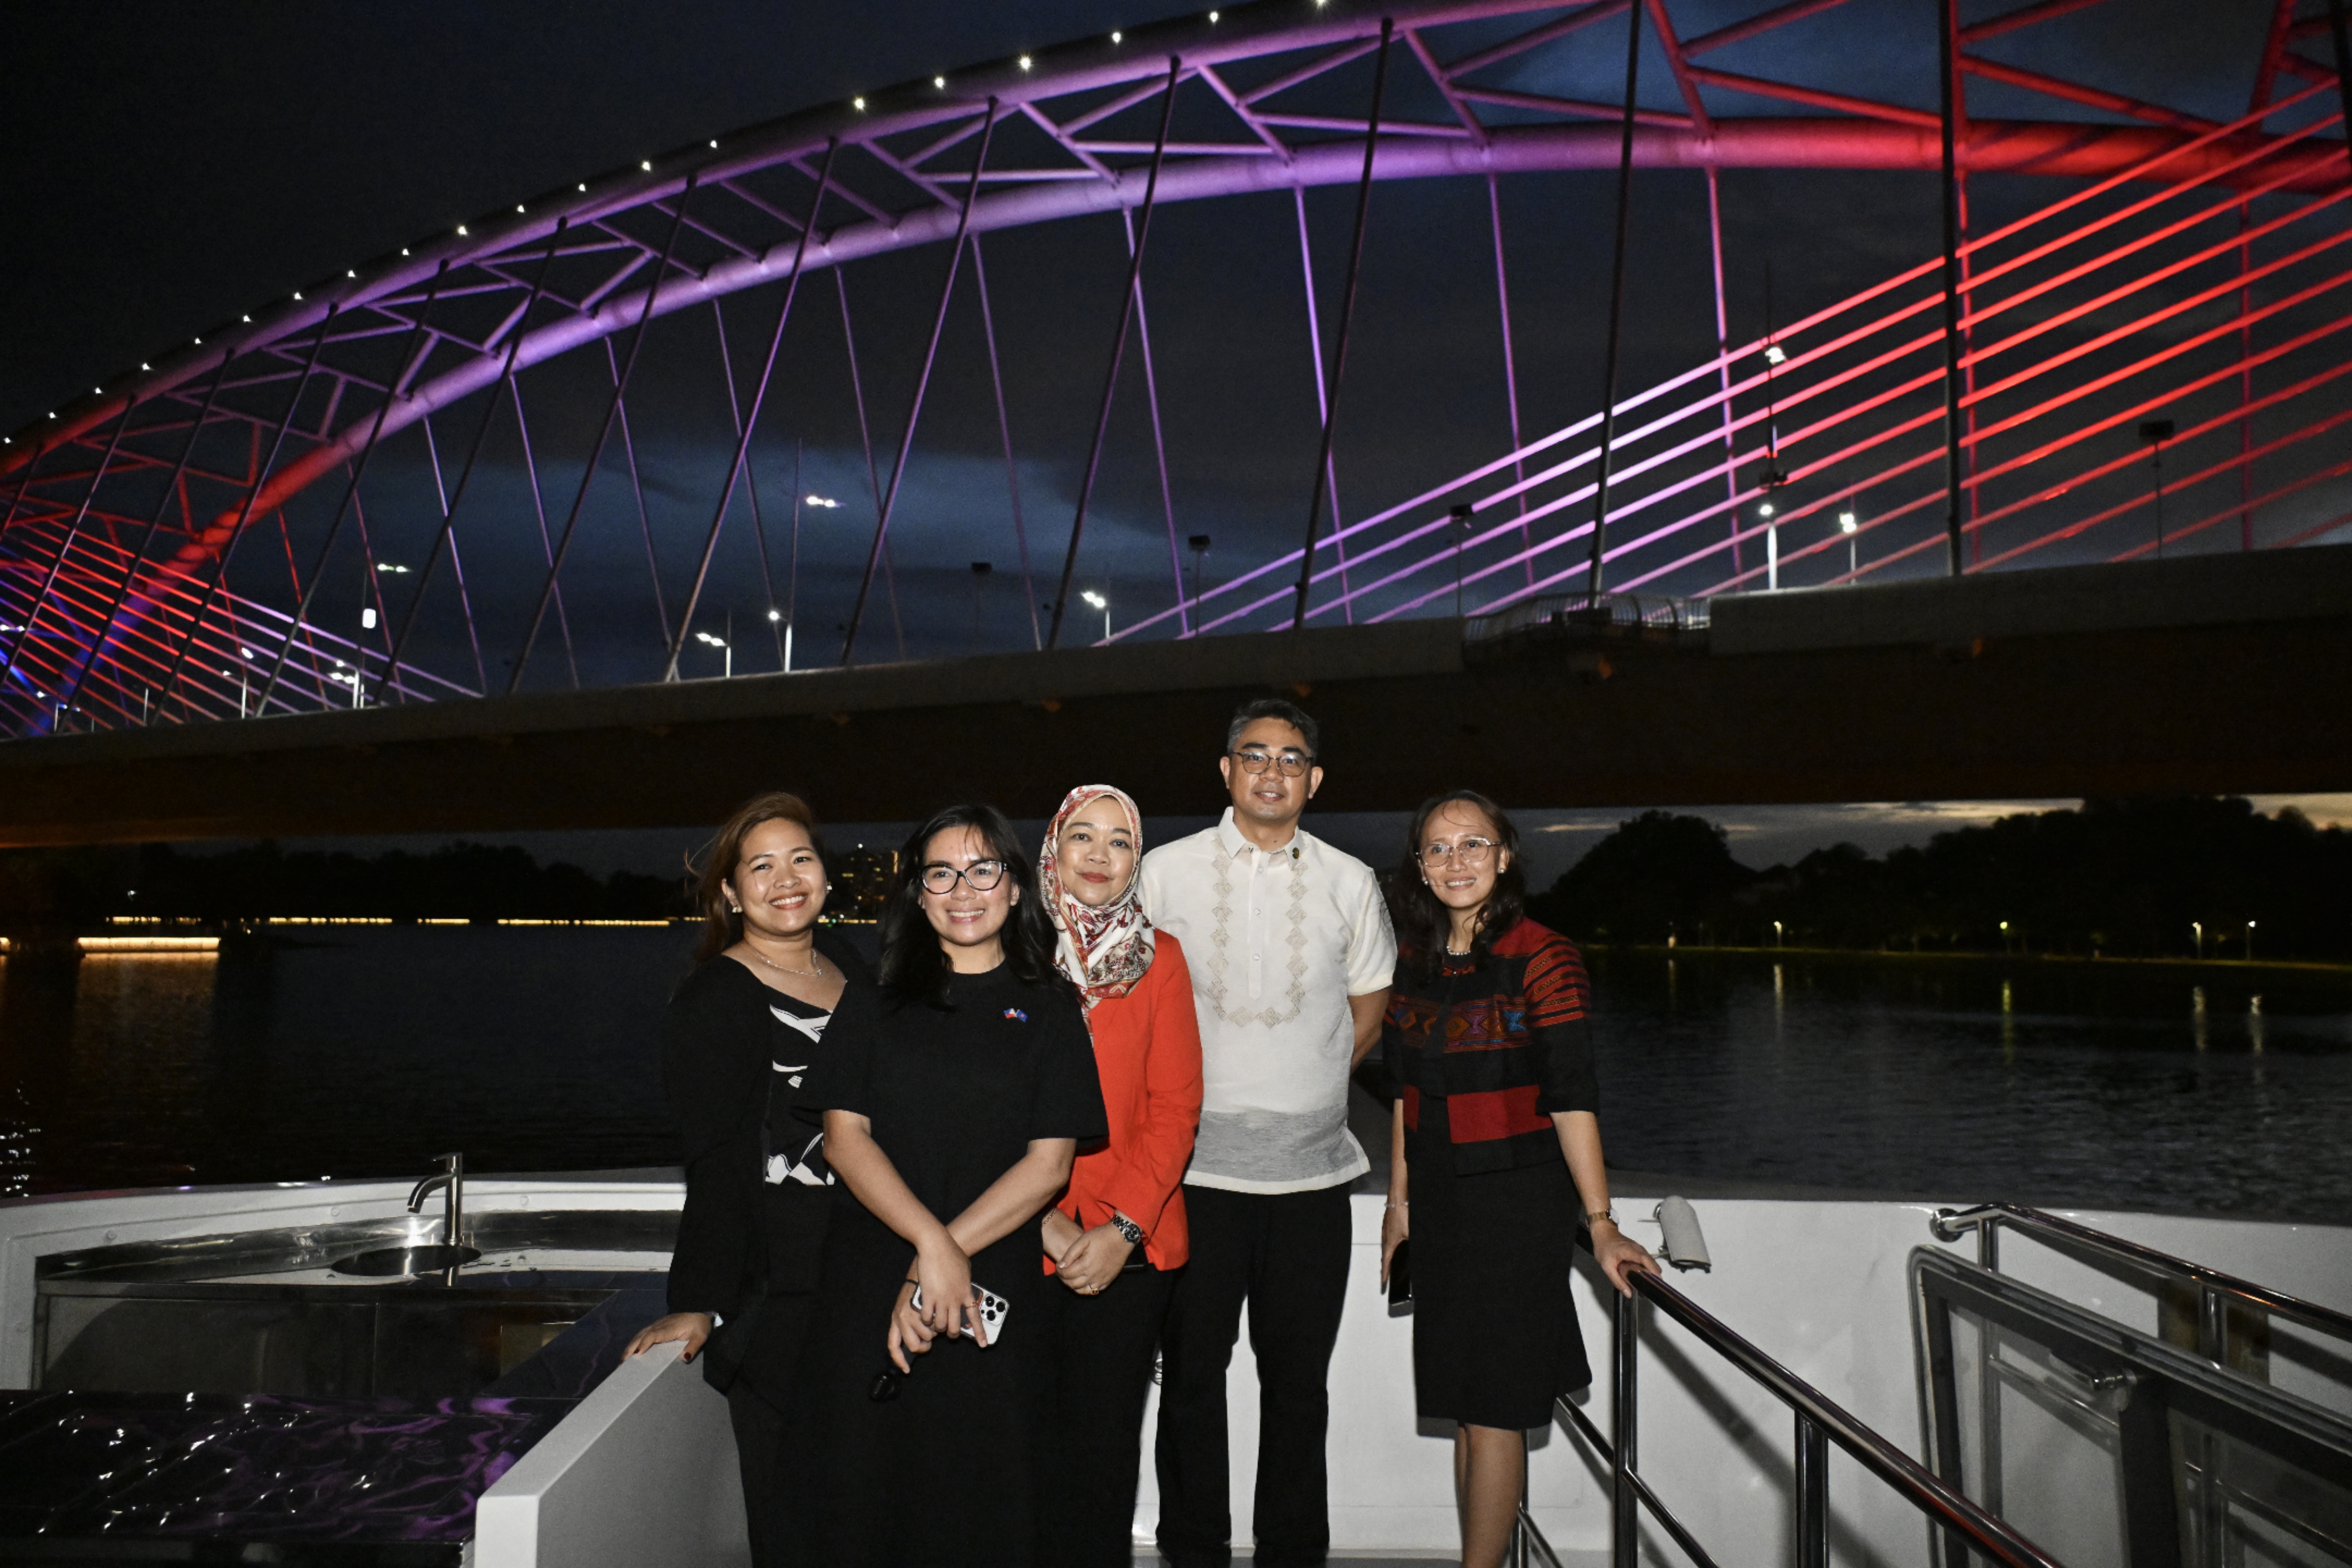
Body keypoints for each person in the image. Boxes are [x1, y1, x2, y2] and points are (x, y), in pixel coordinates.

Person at [795, 803, 1109, 1568]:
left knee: (984, 1495)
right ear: (918, 891)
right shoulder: (873, 998)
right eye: (941, 873)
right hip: (871, 1273)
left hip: (994, 1279)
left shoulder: (1051, 1006)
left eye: (982, 870)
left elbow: (1049, 1165)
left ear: (1014, 886)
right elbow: (844, 1138)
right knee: (870, 1490)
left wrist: (942, 1256)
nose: (963, 890)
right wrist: (929, 1248)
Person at [1138, 698, 1396, 1568]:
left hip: (1312, 1184)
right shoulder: (1164, 872)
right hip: (1192, 1180)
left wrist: (1304, 1086)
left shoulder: (1350, 881)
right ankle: (1193, 1551)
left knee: (1298, 1389)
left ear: (1314, 780)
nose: (1272, 773)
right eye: (1255, 756)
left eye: (1291, 759)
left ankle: (1292, 1553)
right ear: (1227, 771)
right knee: (1190, 1381)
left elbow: (1368, 1011)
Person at [1378, 789, 1659, 1568]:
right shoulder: (1415, 961)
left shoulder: (1544, 956)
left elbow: (1573, 1097)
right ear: (1421, 867)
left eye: (1474, 844)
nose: (1456, 860)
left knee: (1496, 1407)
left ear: (1503, 857)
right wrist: (1399, 1206)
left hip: (1516, 1204)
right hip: (1441, 1203)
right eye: (1439, 848)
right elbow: (1405, 1096)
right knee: (1466, 1408)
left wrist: (1600, 1223)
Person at [625, 791, 869, 1568]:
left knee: (868, 1493)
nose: (786, 879)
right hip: (785, 1283)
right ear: (731, 893)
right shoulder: (717, 999)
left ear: (825, 873)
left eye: (801, 858)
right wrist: (700, 1299)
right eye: (761, 867)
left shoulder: (850, 965)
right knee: (795, 1504)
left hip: (865, 1264)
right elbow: (716, 1160)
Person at [1034, 784, 1204, 1568]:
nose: (1099, 855)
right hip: (1013, 1233)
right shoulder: (1011, 954)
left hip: (1127, 1247)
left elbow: (1176, 1109)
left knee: (1102, 1454)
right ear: (1054, 849)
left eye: (1120, 841)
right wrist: (1043, 1222)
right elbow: (978, 1109)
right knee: (1018, 1446)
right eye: (1083, 836)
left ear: (1138, 859)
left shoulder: (1161, 959)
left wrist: (1121, 1230)